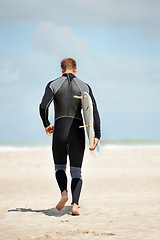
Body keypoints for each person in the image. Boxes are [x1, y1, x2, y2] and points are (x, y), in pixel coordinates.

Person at [39, 58, 101, 215]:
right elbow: (93, 111)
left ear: (61, 69)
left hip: (59, 131)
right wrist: (97, 134)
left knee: (59, 167)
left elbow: (43, 106)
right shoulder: (84, 86)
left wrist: (46, 123)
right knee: (76, 171)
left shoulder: (53, 84)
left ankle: (64, 193)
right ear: (75, 69)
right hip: (77, 131)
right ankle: (74, 205)